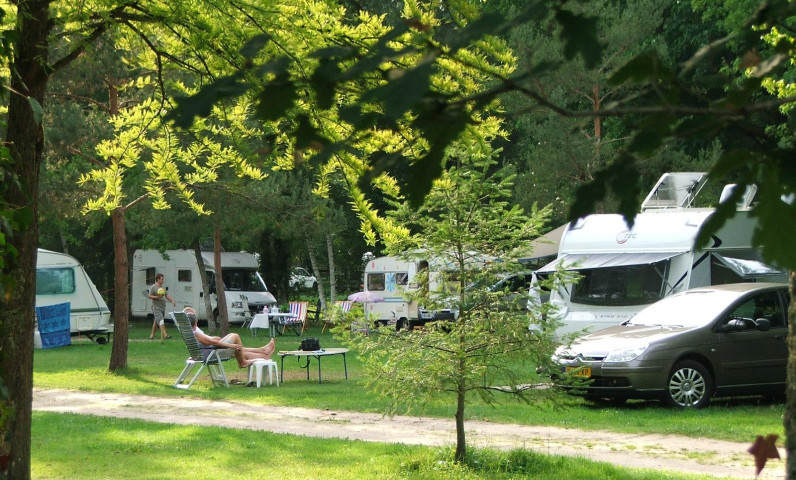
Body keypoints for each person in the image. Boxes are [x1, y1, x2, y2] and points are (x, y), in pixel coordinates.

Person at [184, 307, 275, 368]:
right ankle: (243, 362)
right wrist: (231, 346)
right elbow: (213, 343)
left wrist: (213, 339)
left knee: (237, 347)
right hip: (212, 354)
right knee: (235, 337)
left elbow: (208, 341)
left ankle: (263, 353)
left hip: (208, 351)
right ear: (195, 322)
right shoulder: (196, 333)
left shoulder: (189, 332)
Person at [149, 273, 176, 340]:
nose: (163, 280)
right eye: (162, 279)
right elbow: (149, 296)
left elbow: (166, 295)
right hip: (156, 307)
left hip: (162, 307)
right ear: (158, 279)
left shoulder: (162, 288)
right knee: (161, 320)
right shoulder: (153, 287)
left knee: (156, 321)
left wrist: (172, 301)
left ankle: (152, 335)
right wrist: (157, 297)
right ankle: (165, 335)